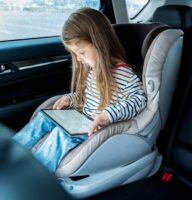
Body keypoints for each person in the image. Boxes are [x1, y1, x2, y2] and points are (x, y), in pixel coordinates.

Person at [13, 7, 147, 173]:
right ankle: (10, 154)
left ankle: (34, 176)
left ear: (100, 43)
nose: (78, 59)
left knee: (60, 135)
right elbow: (91, 96)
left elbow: (139, 99)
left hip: (94, 128)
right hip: (81, 120)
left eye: (81, 52)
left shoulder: (121, 73)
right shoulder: (95, 68)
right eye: (74, 54)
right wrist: (72, 98)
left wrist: (108, 115)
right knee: (43, 117)